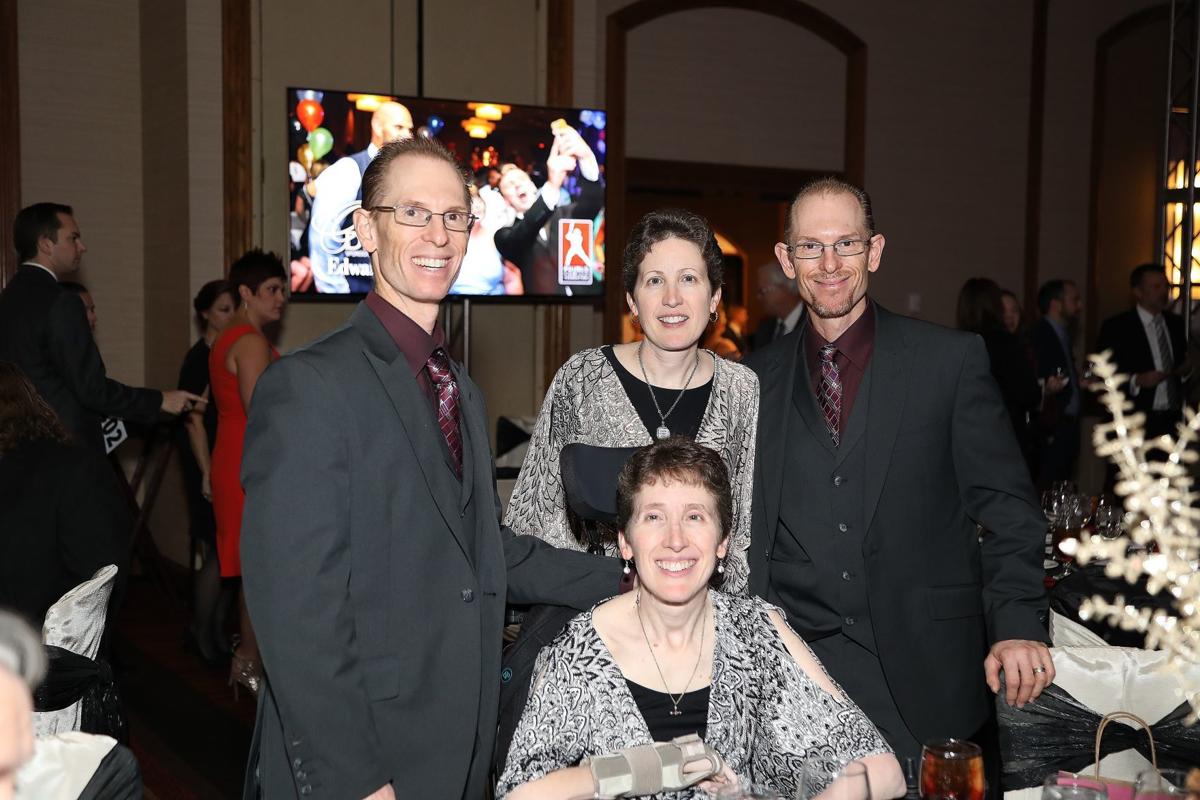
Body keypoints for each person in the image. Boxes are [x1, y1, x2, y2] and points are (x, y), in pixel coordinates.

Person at [239, 136, 622, 800]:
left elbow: (483, 553)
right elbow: (297, 611)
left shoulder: (456, 385)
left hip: (452, 743)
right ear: (365, 227)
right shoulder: (309, 386)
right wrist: (358, 780)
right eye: (412, 212)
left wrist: (634, 573)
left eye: (453, 216)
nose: (437, 234)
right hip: (364, 761)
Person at [746, 177, 1052, 784]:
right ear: (787, 260)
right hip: (794, 686)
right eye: (810, 247)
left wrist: (1018, 626)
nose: (830, 264)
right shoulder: (751, 381)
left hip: (926, 677)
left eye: (847, 244)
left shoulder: (949, 361)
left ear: (875, 251)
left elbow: (1009, 508)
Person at [498, 437, 905, 800]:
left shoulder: (757, 633)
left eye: (695, 516)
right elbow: (520, 793)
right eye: (654, 517)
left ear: (723, 541)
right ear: (625, 542)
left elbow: (883, 771)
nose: (675, 540)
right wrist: (637, 770)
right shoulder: (577, 651)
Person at [505, 208, 759, 596]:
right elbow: (535, 520)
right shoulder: (583, 378)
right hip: (592, 613)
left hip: (702, 619)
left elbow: (741, 533)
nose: (672, 298)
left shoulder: (742, 389)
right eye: (654, 280)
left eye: (688, 279)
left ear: (714, 298)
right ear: (633, 301)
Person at [0, 203, 202, 451]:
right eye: (73, 238)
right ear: (45, 243)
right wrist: (160, 400)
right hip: (63, 446)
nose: (82, 247)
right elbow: (92, 389)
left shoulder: (9, 296)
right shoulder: (61, 301)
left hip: (16, 443)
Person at [208, 251, 286, 696]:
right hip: (250, 462)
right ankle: (250, 662)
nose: (281, 300)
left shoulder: (226, 337)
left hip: (231, 456)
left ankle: (246, 662)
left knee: (250, 567)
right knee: (259, 567)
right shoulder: (251, 341)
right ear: (245, 293)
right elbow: (262, 413)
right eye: (272, 290)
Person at [0, 361, 129, 628]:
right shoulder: (76, 467)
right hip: (45, 647)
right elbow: (102, 578)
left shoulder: (67, 469)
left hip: (39, 650)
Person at [178, 280, 237, 663]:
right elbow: (193, 419)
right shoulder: (201, 357)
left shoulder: (230, 350)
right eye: (223, 310)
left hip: (225, 460)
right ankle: (201, 632)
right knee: (216, 553)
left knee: (229, 554)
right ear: (205, 314)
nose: (231, 316)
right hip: (207, 460)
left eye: (234, 308)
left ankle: (217, 630)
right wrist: (207, 472)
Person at [307, 101, 414, 293]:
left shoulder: (407, 177)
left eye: (409, 129)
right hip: (356, 298)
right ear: (377, 127)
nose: (407, 135)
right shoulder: (349, 169)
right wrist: (337, 294)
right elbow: (323, 236)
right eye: (399, 127)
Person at [494, 123, 604, 296]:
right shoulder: (505, 235)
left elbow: (594, 200)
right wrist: (553, 184)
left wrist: (585, 156)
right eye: (509, 184)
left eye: (521, 179)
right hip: (545, 314)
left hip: (591, 308)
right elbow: (523, 234)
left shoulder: (567, 215)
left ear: (532, 185)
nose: (516, 185)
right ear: (505, 200)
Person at [956, 278, 1041, 475]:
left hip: (968, 441)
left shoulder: (958, 344)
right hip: (1005, 440)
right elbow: (1029, 394)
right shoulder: (1005, 344)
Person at [1096, 264, 1190, 441]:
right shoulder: (1117, 327)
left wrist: (1185, 370)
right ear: (1138, 292)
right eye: (1156, 287)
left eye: (1165, 286)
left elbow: (1181, 366)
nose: (1163, 292)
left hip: (1171, 419)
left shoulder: (1175, 324)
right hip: (1133, 419)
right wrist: (1136, 380)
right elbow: (1102, 375)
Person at [1030, 279, 1082, 487]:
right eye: (1074, 300)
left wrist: (1077, 383)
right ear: (1056, 304)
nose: (1079, 306)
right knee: (1048, 486)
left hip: (1067, 424)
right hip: (1051, 425)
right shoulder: (1040, 334)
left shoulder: (1062, 334)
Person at [749, 261, 804, 352]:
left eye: (762, 291)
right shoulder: (764, 327)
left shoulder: (813, 324)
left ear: (784, 288)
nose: (758, 297)